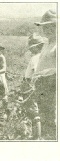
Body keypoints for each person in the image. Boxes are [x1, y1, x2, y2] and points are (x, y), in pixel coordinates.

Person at [32, 9, 56, 140]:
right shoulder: (47, 44)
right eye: (44, 27)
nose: (46, 30)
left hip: (52, 84)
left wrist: (44, 74)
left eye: (49, 26)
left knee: (51, 115)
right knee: (43, 114)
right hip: (42, 85)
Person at [21, 33, 45, 140]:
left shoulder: (35, 57)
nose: (30, 50)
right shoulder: (42, 56)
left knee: (33, 110)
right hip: (37, 84)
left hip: (31, 85)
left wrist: (32, 85)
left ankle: (36, 136)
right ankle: (38, 134)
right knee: (38, 110)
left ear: (37, 47)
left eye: (32, 48)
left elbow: (36, 72)